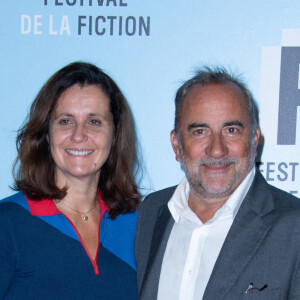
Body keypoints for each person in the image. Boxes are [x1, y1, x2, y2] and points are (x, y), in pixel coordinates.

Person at [135, 66, 300, 300]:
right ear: (176, 145)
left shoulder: (294, 226)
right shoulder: (152, 211)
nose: (217, 149)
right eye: (200, 131)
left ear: (254, 140)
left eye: (231, 130)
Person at [0, 62, 141, 299]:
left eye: (94, 121)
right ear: (46, 133)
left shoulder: (138, 224)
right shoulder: (8, 222)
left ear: (115, 135)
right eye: (65, 121)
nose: (78, 135)